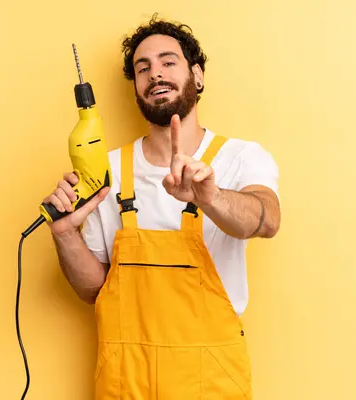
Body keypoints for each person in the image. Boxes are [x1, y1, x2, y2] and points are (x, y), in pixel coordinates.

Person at [43, 14, 281, 399]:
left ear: (197, 76)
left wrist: (211, 197)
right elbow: (93, 290)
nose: (156, 73)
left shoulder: (240, 157)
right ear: (136, 88)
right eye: (143, 68)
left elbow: (267, 219)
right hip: (125, 379)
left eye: (169, 62)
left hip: (209, 377)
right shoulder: (109, 170)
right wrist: (65, 234)